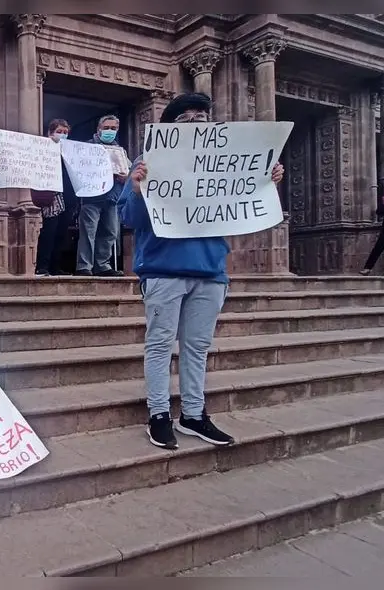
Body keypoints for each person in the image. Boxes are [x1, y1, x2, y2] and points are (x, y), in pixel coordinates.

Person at [118, 92, 285, 450]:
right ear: (171, 127)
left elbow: (242, 203)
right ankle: (159, 415)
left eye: (202, 116)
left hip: (211, 271)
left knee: (197, 348)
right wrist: (135, 188)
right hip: (163, 270)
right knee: (160, 344)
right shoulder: (146, 160)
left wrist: (265, 181)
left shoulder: (226, 160)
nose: (197, 121)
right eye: (187, 117)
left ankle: (193, 414)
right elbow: (128, 219)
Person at [77, 115, 128, 277]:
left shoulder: (120, 151)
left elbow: (128, 170)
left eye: (113, 129)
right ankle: (84, 266)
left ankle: (103, 265)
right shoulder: (87, 147)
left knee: (110, 233)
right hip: (92, 196)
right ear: (98, 129)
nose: (109, 131)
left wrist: (124, 177)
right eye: (106, 128)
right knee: (88, 232)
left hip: (113, 198)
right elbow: (79, 168)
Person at [33, 119, 77, 276]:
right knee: (49, 232)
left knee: (61, 233)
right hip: (52, 197)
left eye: (65, 132)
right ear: (50, 133)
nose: (63, 135)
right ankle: (42, 266)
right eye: (59, 131)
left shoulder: (71, 152)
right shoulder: (43, 149)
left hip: (68, 197)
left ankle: (55, 266)